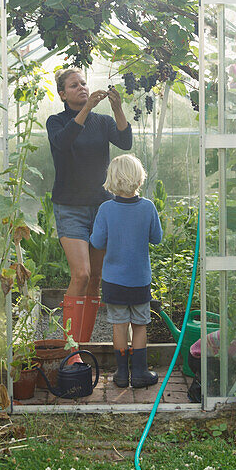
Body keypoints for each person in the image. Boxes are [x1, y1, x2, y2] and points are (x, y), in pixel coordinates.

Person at [46, 67, 131, 353]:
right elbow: (63, 143)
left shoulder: (103, 122)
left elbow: (125, 141)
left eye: (84, 83)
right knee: (81, 274)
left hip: (102, 207)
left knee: (96, 277)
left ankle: (82, 345)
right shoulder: (56, 122)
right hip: (70, 208)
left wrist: (118, 108)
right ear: (62, 94)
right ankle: (70, 347)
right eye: (74, 85)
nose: (82, 87)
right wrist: (87, 110)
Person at [88, 154, 163, 388]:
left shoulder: (106, 209)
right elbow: (157, 238)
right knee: (140, 325)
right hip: (139, 280)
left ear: (112, 179)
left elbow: (97, 242)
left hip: (114, 281)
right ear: (139, 178)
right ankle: (140, 373)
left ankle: (121, 375)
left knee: (119, 325)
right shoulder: (148, 207)